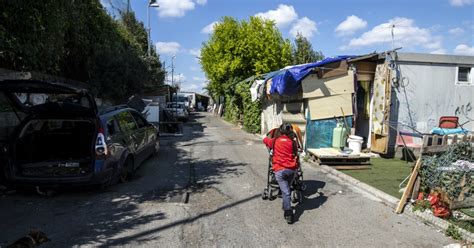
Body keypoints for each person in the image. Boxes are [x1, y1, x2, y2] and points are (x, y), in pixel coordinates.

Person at [263, 123, 298, 224]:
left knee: (286, 191)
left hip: (279, 170)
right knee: (287, 188)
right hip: (292, 170)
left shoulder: (274, 141)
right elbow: (296, 153)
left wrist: (267, 138)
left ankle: (288, 212)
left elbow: (265, 140)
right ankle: (286, 203)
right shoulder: (292, 142)